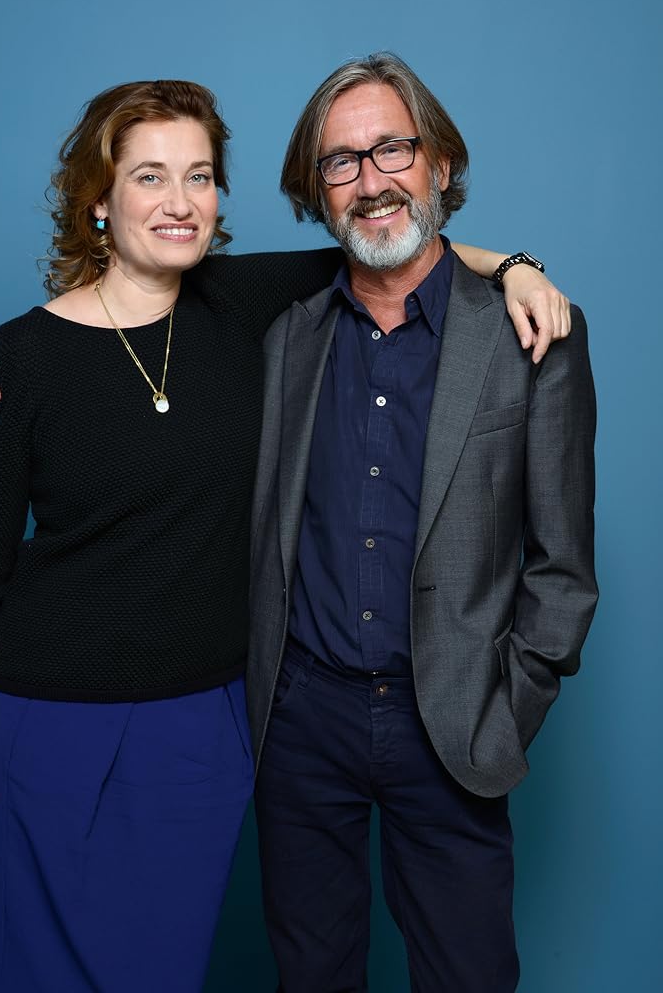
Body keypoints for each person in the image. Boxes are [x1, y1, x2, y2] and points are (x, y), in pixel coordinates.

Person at [0, 77, 568, 992]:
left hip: (213, 724)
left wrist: (515, 265)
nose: (179, 200)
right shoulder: (17, 357)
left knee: (159, 967)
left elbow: (393, 239)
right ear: (97, 202)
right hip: (63, 715)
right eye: (150, 176)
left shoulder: (240, 306)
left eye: (199, 176)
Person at [244, 53, 598, 992]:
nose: (370, 181)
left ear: (439, 163)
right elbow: (135, 309)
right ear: (316, 190)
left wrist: (504, 710)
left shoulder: (530, 334)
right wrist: (8, 390)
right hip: (299, 718)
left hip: (452, 720)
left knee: (467, 976)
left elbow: (562, 567)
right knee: (309, 975)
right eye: (341, 161)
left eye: (392, 149)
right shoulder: (279, 334)